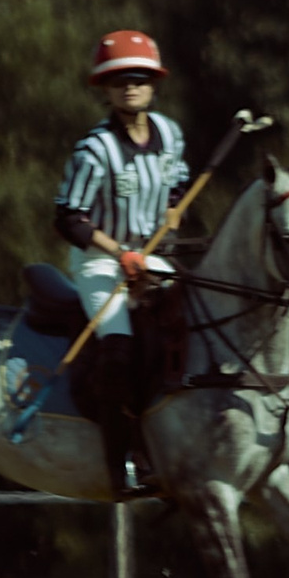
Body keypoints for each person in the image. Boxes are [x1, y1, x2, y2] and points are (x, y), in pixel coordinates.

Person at [54, 29, 190, 499]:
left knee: (199, 322)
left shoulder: (171, 134)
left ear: (153, 84)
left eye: (139, 77)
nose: (130, 86)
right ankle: (123, 462)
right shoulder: (94, 149)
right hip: (101, 262)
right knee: (119, 350)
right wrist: (121, 255)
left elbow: (179, 185)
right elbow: (68, 219)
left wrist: (176, 209)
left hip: (154, 256)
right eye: (119, 80)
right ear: (105, 89)